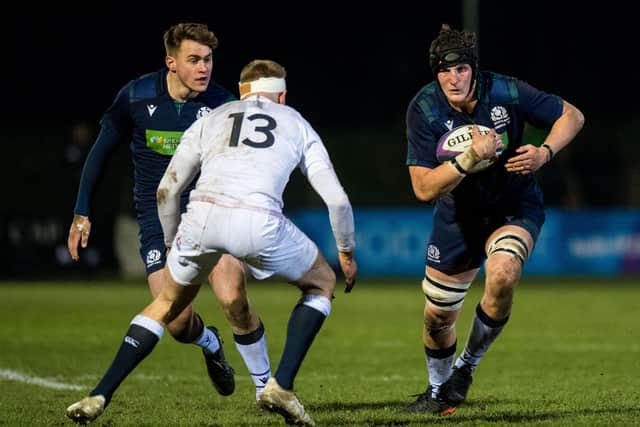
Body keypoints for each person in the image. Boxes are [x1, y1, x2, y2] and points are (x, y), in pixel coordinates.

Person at [65, 59, 357, 426]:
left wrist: (174, 244)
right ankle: (280, 385)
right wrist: (345, 252)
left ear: (242, 92)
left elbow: (166, 192)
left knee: (167, 303)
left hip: (200, 219)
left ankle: (99, 394)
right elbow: (338, 201)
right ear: (281, 94)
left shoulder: (213, 117)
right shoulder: (295, 121)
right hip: (258, 221)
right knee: (321, 282)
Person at [66, 23, 273, 404]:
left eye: (208, 60)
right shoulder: (136, 95)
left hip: (211, 213)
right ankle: (210, 343)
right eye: (193, 60)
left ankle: (266, 389)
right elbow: (100, 152)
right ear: (171, 62)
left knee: (232, 296)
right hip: (157, 220)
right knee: (177, 323)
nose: (203, 68)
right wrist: (82, 211)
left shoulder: (223, 104)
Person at [404, 24, 584, 415]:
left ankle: (465, 369)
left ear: (474, 69)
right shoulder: (424, 109)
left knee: (502, 272)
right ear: (436, 73)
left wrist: (545, 153)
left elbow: (572, 115)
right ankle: (439, 395)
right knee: (437, 317)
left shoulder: (504, 90)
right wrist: (469, 158)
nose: (454, 79)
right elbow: (423, 188)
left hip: (514, 206)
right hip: (458, 218)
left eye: (462, 69)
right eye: (444, 71)